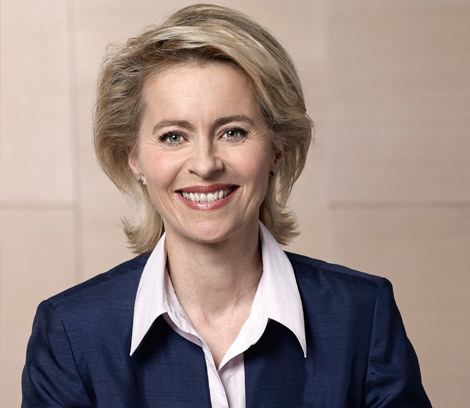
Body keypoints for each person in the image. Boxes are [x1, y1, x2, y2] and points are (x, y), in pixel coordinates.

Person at [22, 4, 431, 407]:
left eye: (233, 132)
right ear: (134, 156)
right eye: (172, 136)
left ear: (277, 148)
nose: (205, 164)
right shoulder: (72, 332)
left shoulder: (361, 315)